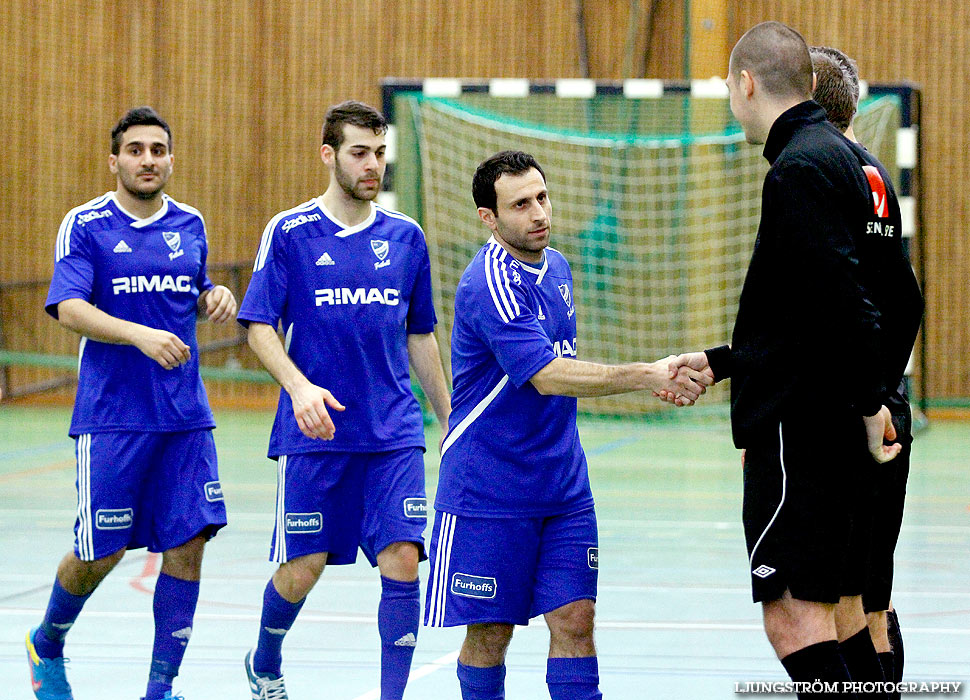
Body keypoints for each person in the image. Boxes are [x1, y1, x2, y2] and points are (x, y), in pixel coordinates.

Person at [661, 22, 920, 699]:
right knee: (844, 611)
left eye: (727, 87)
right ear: (808, 84)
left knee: (793, 618)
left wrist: (868, 404)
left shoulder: (800, 167)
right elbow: (889, 302)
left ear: (744, 84)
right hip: (835, 410)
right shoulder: (852, 161)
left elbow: (842, 306)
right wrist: (726, 361)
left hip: (804, 425)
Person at [424, 150, 713, 700]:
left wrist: (651, 378)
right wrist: (647, 372)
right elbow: (549, 375)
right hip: (489, 487)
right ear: (489, 217)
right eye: (520, 205)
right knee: (490, 633)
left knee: (576, 621)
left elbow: (566, 369)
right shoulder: (488, 282)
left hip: (562, 486)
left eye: (542, 197)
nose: (538, 213)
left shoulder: (556, 267)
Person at [237, 100, 451, 700]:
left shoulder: (406, 238)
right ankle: (265, 659)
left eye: (380, 153)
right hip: (317, 433)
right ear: (329, 155)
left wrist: (449, 419)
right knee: (302, 570)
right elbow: (257, 325)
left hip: (393, 434)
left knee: (404, 559)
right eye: (359, 153)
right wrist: (299, 387)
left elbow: (421, 333)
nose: (372, 165)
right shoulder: (290, 232)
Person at [32, 106, 237, 700]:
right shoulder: (86, 224)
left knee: (189, 542)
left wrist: (213, 295)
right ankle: (47, 639)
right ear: (115, 159)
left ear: (170, 158)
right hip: (113, 416)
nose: (148, 160)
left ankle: (161, 688)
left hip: (185, 417)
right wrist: (139, 335)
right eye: (137, 150)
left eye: (158, 150)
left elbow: (189, 290)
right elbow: (69, 309)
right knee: (103, 549)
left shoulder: (190, 223)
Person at [810, 45, 923, 695]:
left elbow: (867, 304)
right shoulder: (873, 175)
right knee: (868, 594)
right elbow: (902, 298)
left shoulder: (829, 175)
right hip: (882, 397)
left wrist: (870, 399)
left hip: (857, 408)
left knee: (846, 601)